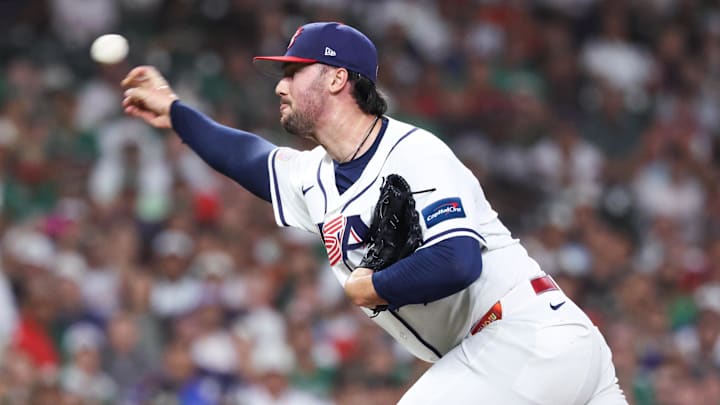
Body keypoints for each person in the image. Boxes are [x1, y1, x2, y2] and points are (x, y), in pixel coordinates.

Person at [121, 21, 627, 404]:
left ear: (338, 78)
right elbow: (247, 158)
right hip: (528, 351)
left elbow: (458, 260)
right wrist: (176, 112)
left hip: (522, 332)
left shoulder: (412, 151)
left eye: (294, 72)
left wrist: (370, 287)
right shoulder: (313, 175)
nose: (280, 85)